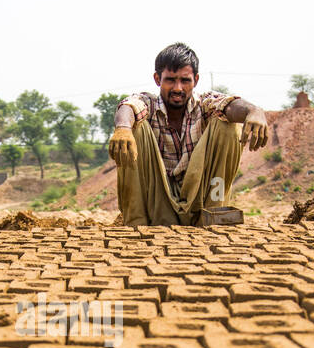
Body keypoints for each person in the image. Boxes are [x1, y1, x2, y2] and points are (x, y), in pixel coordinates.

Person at [108, 42, 269, 225]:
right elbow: (130, 106)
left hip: (199, 202)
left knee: (228, 126)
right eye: (170, 80)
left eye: (185, 80)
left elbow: (228, 105)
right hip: (156, 203)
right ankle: (136, 222)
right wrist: (123, 128)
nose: (178, 88)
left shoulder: (205, 104)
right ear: (157, 79)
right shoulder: (148, 103)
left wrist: (254, 111)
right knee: (133, 129)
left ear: (196, 80)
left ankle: (216, 214)